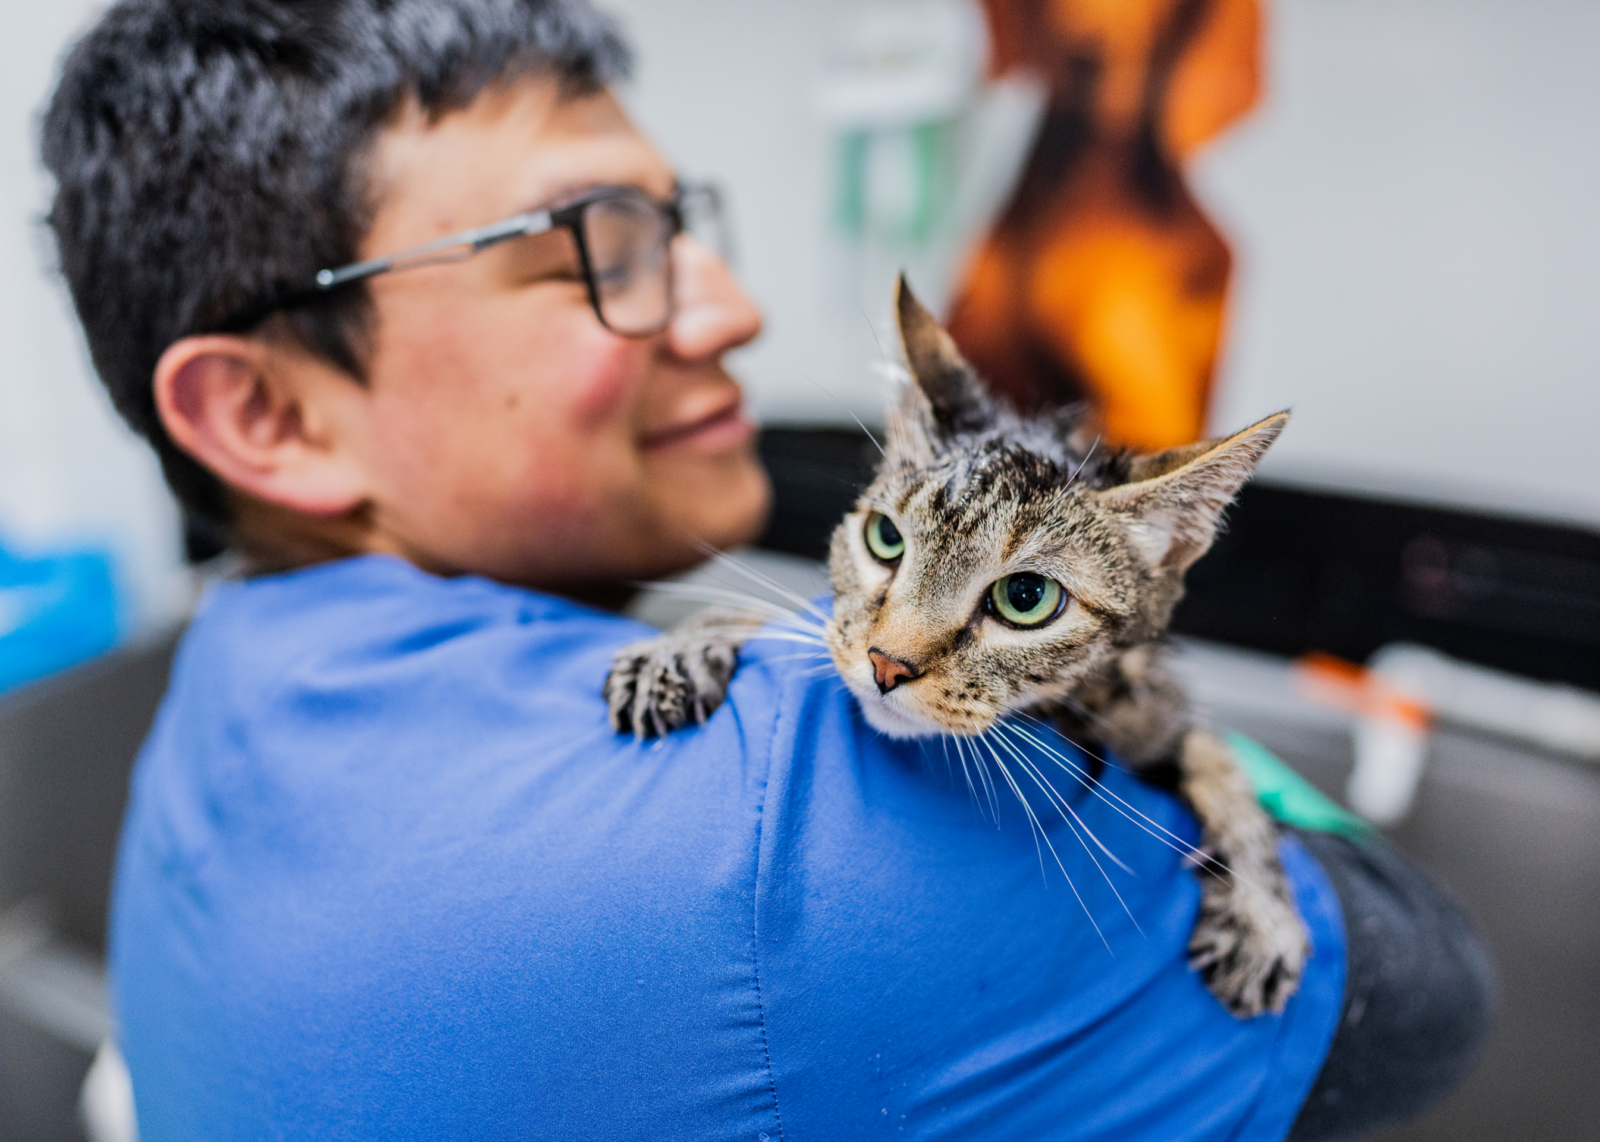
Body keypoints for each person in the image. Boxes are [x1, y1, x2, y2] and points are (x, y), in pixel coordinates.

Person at [42, 1, 1492, 1139]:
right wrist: (1175, 730)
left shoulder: (222, 685)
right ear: (266, 412)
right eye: (593, 246)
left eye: (681, 223)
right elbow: (1433, 991)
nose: (730, 306)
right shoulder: (817, 835)